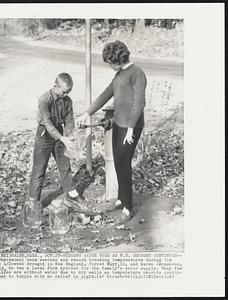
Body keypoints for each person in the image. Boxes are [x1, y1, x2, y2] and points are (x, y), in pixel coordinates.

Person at [79, 40, 147, 225]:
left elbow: (139, 103)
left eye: (110, 62)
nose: (110, 66)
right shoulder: (118, 75)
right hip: (118, 123)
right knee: (118, 162)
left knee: (124, 163)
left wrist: (131, 128)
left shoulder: (137, 73)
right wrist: (87, 113)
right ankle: (120, 198)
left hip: (131, 127)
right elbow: (105, 95)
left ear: (119, 59)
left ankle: (128, 207)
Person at [29, 73, 84, 209]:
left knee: (65, 165)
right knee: (39, 169)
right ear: (56, 86)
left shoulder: (68, 101)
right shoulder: (44, 99)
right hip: (44, 134)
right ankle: (33, 201)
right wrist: (63, 139)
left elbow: (69, 121)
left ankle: (71, 192)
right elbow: (47, 124)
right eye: (64, 92)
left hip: (60, 133)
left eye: (68, 92)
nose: (66, 95)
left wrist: (70, 136)